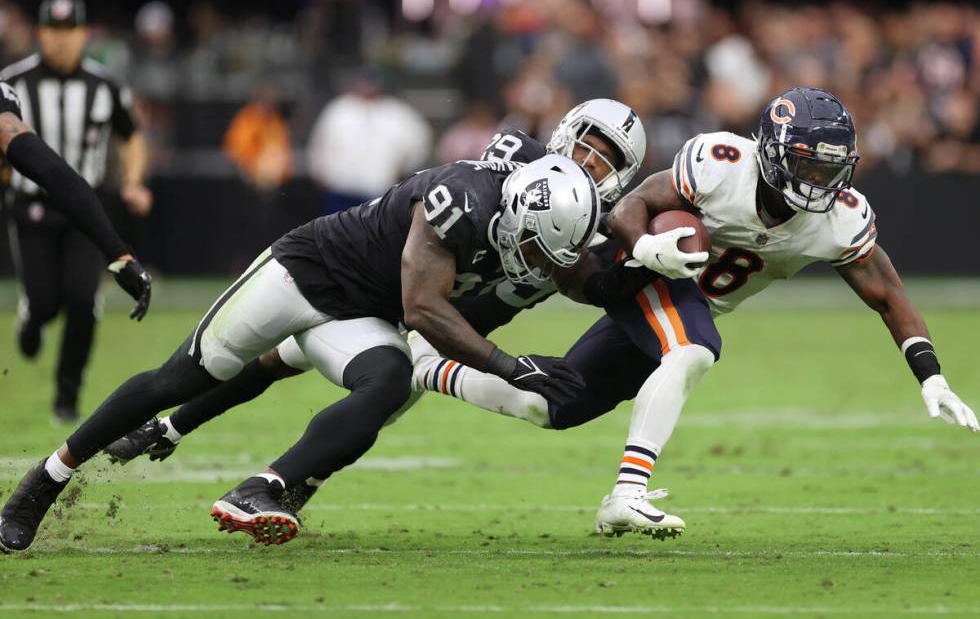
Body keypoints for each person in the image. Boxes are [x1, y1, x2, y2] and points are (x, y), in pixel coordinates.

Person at [0, 144, 657, 552]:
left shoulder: (545, 214)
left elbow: (579, 274)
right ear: (516, 209)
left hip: (361, 313)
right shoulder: (462, 196)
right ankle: (43, 481)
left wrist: (649, 267)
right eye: (534, 244)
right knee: (179, 377)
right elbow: (423, 307)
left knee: (389, 384)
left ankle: (262, 488)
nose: (537, 261)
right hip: (305, 273)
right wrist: (512, 367)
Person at [408, 86, 978, 539]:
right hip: (642, 272)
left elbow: (887, 292)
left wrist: (931, 374)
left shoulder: (841, 218)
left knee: (553, 404)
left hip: (686, 299)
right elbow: (634, 206)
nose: (818, 182)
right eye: (806, 166)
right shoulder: (722, 163)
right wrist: (646, 246)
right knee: (692, 349)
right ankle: (628, 494)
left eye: (829, 170)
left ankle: (429, 368)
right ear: (773, 153)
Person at [1, 0, 152, 421]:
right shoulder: (14, 82)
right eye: (54, 30)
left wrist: (133, 182)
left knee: (83, 301)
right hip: (31, 207)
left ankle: (67, 398)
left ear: (84, 34)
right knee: (47, 300)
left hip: (83, 206)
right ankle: (34, 314)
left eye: (70, 31)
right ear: (40, 33)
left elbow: (132, 134)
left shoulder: (105, 84)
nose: (62, 40)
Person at [307, 68, 432, 214]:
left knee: (374, 234)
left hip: (378, 190)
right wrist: (318, 170)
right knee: (337, 233)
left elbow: (419, 142)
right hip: (339, 187)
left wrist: (404, 168)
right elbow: (320, 142)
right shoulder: (339, 109)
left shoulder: (398, 112)